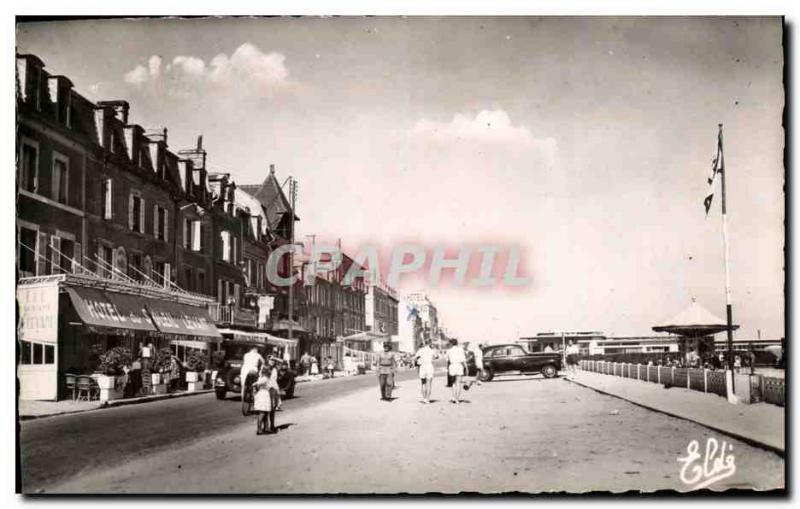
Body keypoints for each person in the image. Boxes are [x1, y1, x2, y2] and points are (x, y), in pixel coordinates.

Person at [253, 365, 275, 435]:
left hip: (264, 394)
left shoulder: (264, 378)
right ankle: (259, 429)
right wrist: (255, 388)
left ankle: (266, 428)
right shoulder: (264, 378)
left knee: (265, 412)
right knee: (262, 413)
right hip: (263, 395)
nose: (270, 372)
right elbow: (255, 384)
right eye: (269, 370)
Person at [446, 339, 467, 403]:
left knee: (453, 383)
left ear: (451, 344)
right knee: (458, 383)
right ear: (457, 343)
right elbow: (463, 360)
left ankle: (454, 397)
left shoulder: (449, 351)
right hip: (459, 366)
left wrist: (447, 368)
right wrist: (466, 367)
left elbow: (447, 360)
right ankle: (457, 399)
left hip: (452, 366)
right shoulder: (461, 350)